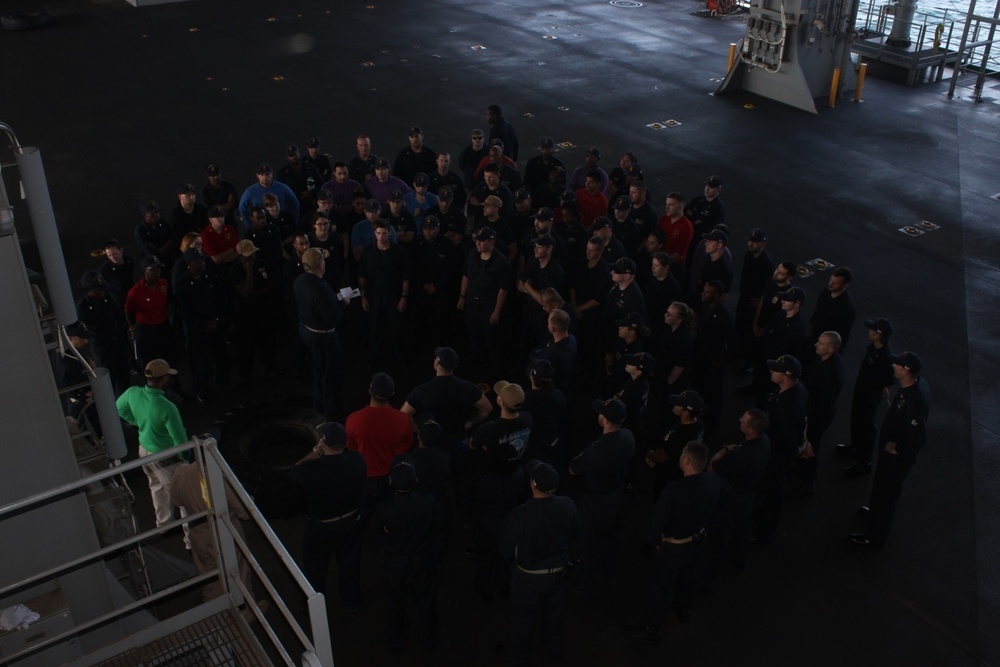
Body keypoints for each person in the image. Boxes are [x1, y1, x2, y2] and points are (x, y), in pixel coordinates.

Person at [625, 441, 723, 646]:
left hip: (673, 546)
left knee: (661, 587)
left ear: (686, 461)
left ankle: (653, 628)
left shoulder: (674, 490)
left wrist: (654, 541)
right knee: (689, 578)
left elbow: (657, 521)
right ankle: (683, 609)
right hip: (697, 540)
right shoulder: (714, 482)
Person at [497, 460, 581, 665]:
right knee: (554, 613)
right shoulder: (567, 505)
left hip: (528, 576)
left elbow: (505, 548)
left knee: (523, 617)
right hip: (557, 573)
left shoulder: (520, 514)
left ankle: (517, 656)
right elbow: (576, 534)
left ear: (533, 484)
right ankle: (554, 649)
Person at [851, 352, 930, 547]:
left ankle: (875, 536)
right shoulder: (912, 386)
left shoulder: (914, 399)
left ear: (905, 371)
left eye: (897, 365)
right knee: (880, 486)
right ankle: (875, 514)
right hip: (889, 451)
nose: (893, 366)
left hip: (897, 458)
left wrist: (899, 448)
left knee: (887, 492)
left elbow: (919, 435)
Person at [291, 422, 366, 612]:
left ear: (323, 442)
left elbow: (295, 472)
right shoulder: (357, 460)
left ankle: (313, 607)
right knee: (349, 565)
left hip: (322, 528)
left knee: (315, 567)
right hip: (351, 523)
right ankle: (351, 603)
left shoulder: (311, 470)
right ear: (345, 442)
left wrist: (315, 451)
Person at [569, 398, 635, 600]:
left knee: (588, 541)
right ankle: (610, 572)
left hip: (597, 500)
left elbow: (574, 468)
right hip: (618, 494)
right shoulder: (628, 436)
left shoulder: (598, 449)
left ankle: (585, 584)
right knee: (611, 536)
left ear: (605, 420)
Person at [373, 458, 440, 655]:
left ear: (391, 482)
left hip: (395, 564)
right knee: (425, 603)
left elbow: (381, 532)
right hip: (421, 561)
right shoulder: (428, 503)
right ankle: (429, 642)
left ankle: (397, 643)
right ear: (416, 480)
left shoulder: (384, 509)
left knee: (395, 605)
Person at [169, 460, 257, 604]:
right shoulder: (218, 475)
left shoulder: (180, 473)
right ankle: (245, 611)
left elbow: (176, 501)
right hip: (224, 531)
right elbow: (244, 510)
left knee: (209, 577)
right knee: (238, 572)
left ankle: (217, 611)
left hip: (198, 532)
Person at [116, 359, 188, 528]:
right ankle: (190, 539)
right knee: (183, 494)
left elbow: (119, 408)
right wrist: (186, 456)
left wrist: (136, 421)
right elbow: (179, 439)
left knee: (156, 487)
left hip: (144, 451)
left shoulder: (132, 393)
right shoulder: (166, 407)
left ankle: (164, 523)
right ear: (163, 379)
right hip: (165, 456)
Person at [345, 373, 415, 524]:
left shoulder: (353, 420)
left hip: (367, 477)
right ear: (392, 394)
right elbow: (407, 445)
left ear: (370, 391)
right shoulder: (403, 420)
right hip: (392, 476)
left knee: (363, 511)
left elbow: (352, 448)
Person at [753, 354, 808, 544]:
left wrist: (796, 450)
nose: (771, 371)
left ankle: (764, 533)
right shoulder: (794, 390)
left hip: (777, 455)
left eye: (775, 370)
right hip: (777, 451)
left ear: (785, 376)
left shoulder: (787, 405)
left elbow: (787, 435)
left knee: (772, 494)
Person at [709, 409, 771, 571]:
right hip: (751, 495)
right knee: (742, 531)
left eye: (742, 421)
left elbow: (712, 466)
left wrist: (724, 449)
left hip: (734, 499)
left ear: (751, 429)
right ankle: (737, 563)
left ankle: (713, 570)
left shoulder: (741, 455)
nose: (739, 421)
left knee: (720, 534)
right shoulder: (764, 441)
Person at [294, 247, 349, 420]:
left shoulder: (299, 280)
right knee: (329, 374)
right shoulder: (320, 289)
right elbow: (332, 318)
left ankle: (318, 405)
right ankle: (330, 413)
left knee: (318, 370)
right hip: (322, 337)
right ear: (320, 265)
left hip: (306, 330)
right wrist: (343, 304)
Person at [175, 247, 232, 403]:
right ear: (189, 264)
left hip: (214, 325)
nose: (202, 263)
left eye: (202, 260)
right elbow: (184, 311)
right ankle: (200, 389)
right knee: (199, 361)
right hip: (196, 330)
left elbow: (220, 299)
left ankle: (223, 381)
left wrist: (217, 320)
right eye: (198, 261)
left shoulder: (209, 276)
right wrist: (202, 325)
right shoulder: (183, 284)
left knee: (221, 355)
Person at [792, 331, 845, 496]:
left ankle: (808, 481)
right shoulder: (823, 360)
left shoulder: (832, 372)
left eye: (820, 343)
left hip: (817, 415)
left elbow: (823, 402)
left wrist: (808, 418)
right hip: (812, 410)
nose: (816, 344)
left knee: (810, 446)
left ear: (830, 349)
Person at [841, 318, 895, 475]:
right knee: (856, 418)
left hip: (870, 395)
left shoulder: (885, 356)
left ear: (878, 334)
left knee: (866, 426)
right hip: (862, 389)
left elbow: (888, 379)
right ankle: (856, 446)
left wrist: (880, 387)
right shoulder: (873, 348)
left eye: (871, 329)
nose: (868, 331)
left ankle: (865, 461)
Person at [458, 227, 512, 370]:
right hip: (472, 301)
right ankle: (475, 360)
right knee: (473, 333)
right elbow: (466, 276)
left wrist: (497, 311)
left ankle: (495, 367)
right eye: (477, 241)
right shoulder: (473, 255)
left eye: (482, 241)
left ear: (491, 241)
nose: (478, 244)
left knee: (492, 338)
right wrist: (462, 296)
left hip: (489, 304)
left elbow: (503, 289)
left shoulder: (501, 262)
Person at [229, 239, 280, 388]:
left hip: (264, 310)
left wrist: (255, 292)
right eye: (247, 255)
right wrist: (249, 272)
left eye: (253, 253)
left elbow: (271, 283)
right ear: (240, 256)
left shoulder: (262, 263)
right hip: (244, 316)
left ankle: (269, 367)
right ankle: (245, 377)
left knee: (268, 341)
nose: (251, 257)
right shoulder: (235, 271)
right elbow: (244, 293)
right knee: (246, 348)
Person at [358, 221, 410, 367]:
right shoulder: (367, 253)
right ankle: (374, 357)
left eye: (384, 233)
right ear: (374, 233)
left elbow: (405, 277)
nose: (381, 236)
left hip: (393, 295)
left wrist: (404, 297)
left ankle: (399, 356)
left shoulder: (399, 252)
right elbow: (362, 277)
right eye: (379, 233)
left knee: (396, 328)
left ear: (390, 233)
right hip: (374, 296)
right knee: (374, 328)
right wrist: (363, 297)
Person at [76, 271, 130, 395]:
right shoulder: (83, 308)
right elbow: (91, 331)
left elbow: (118, 315)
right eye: (97, 290)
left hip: (118, 343)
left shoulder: (106, 298)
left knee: (124, 378)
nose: (101, 292)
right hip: (104, 349)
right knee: (109, 381)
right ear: (88, 290)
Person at [646, 390, 706, 499]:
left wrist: (650, 455)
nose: (674, 405)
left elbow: (662, 457)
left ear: (685, 412)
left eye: (678, 404)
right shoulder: (698, 424)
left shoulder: (682, 435)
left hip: (670, 473)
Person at [125, 255, 175, 375]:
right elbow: (128, 310)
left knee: (169, 357)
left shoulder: (163, 284)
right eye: (153, 269)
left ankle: (174, 387)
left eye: (158, 268)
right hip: (146, 328)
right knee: (148, 361)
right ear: (144, 271)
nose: (157, 271)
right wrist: (131, 325)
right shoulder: (135, 292)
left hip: (163, 324)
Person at [735, 228, 775, 370]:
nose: (750, 244)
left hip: (753, 301)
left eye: (754, 242)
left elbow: (768, 287)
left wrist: (760, 302)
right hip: (744, 296)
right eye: (750, 241)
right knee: (739, 325)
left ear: (764, 243)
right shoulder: (749, 255)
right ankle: (739, 352)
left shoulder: (766, 264)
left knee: (749, 331)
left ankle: (749, 361)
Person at [471, 381, 533, 458]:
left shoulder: (486, 430)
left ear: (501, 402)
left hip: (495, 467)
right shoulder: (528, 417)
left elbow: (472, 446)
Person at [806, 266, 856, 355]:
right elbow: (817, 312)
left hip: (827, 346)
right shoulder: (825, 292)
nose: (830, 284)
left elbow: (844, 334)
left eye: (836, 283)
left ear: (845, 285)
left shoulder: (847, 308)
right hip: (814, 337)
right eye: (831, 280)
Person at [239, 162, 300, 231]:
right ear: (257, 176)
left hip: (281, 224)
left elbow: (295, 204)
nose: (265, 177)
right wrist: (250, 225)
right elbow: (242, 208)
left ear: (272, 174)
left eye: (267, 174)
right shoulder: (250, 191)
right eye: (261, 174)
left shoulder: (283, 188)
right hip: (261, 226)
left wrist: (293, 222)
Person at [684, 175, 726, 245]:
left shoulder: (719, 208)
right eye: (707, 185)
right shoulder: (698, 200)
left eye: (711, 187)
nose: (707, 188)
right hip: (686, 235)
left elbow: (708, 229)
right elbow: (684, 213)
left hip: (698, 242)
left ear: (718, 190)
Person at [657, 192, 693, 270]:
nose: (667, 207)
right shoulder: (664, 219)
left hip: (673, 267)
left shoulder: (686, 226)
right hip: (659, 262)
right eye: (667, 204)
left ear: (680, 207)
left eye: (671, 205)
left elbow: (678, 255)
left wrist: (660, 261)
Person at [135, 200, 178, 264]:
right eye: (152, 214)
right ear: (144, 215)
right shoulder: (140, 231)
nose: (156, 215)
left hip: (170, 260)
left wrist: (160, 249)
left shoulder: (162, 221)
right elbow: (151, 253)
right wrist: (167, 245)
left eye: (157, 212)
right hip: (154, 265)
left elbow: (174, 240)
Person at [98, 239, 135, 307]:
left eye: (115, 254)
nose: (113, 257)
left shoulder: (129, 261)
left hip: (132, 295)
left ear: (121, 250)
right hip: (117, 302)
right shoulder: (104, 270)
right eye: (109, 255)